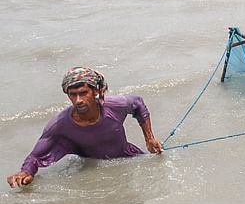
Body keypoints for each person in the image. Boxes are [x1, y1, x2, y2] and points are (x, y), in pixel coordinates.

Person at [6, 67, 163, 188]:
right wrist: (26, 172)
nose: (78, 100)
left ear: (95, 91)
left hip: (130, 158)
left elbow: (138, 104)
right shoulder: (60, 125)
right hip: (93, 170)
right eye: (72, 95)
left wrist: (149, 138)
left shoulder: (115, 106)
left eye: (83, 93)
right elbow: (35, 156)